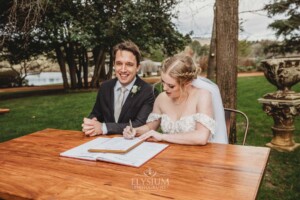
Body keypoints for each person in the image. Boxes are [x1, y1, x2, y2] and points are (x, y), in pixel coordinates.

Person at [123, 54, 228, 145]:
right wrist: (135, 130)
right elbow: (150, 128)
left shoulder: (202, 95)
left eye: (171, 86)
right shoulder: (161, 98)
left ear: (187, 83)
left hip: (200, 156)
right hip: (170, 155)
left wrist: (163, 137)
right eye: (162, 82)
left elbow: (201, 137)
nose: (164, 88)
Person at [82, 41, 155, 136]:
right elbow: (96, 113)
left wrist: (104, 128)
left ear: (137, 67)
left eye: (129, 64)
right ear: (114, 64)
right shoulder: (105, 87)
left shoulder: (148, 91)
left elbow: (139, 124)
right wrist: (91, 122)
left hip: (134, 144)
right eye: (119, 63)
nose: (123, 69)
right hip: (105, 144)